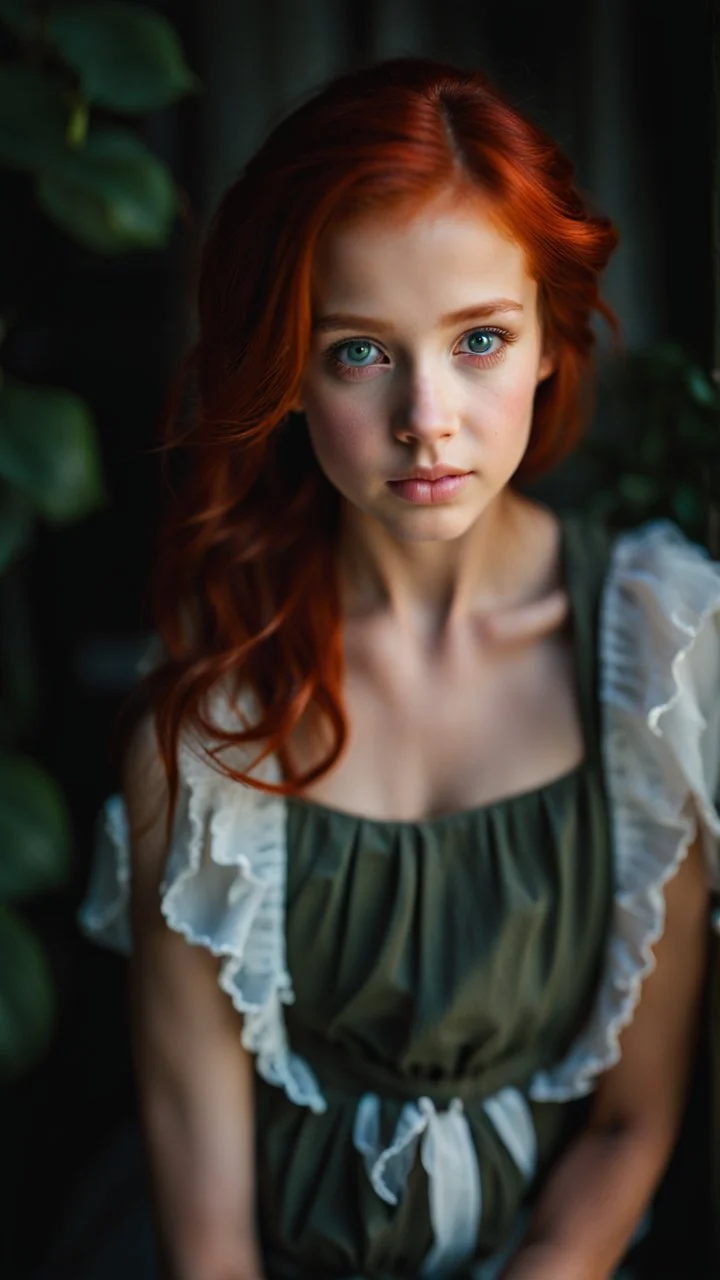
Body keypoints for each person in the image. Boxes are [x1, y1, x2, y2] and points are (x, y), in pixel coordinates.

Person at [78, 58, 720, 1280]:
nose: (428, 415)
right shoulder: (214, 710)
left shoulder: (659, 652)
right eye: (361, 352)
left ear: (546, 339)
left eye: (479, 338)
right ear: (285, 372)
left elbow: (637, 1120)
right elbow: (204, 1215)